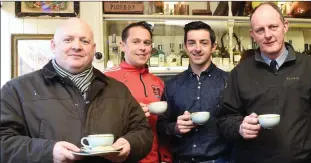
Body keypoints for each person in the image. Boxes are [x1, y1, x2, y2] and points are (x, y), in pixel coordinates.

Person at [0, 18, 153, 163]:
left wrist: (130, 144)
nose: (77, 46)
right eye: (68, 40)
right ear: (53, 45)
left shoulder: (119, 90)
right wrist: (48, 152)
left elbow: (143, 132)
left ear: (93, 49)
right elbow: (3, 141)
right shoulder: (17, 90)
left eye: (84, 41)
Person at [216, 2, 311, 162]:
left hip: (303, 159)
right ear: (253, 34)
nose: (267, 35)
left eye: (273, 27)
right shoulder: (240, 72)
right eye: (260, 30)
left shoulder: (309, 66)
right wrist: (240, 127)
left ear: (285, 26)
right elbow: (225, 119)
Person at [156, 21, 231, 163]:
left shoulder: (229, 81)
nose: (197, 48)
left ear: (213, 47)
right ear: (185, 47)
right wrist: (175, 128)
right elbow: (161, 125)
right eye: (191, 43)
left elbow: (236, 122)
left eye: (204, 43)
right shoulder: (173, 84)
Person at [104, 21, 172, 163]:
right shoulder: (106, 79)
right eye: (136, 42)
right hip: (120, 158)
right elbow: (95, 124)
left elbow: (162, 126)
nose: (142, 48)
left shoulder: (158, 82)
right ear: (123, 46)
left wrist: (165, 157)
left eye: (146, 43)